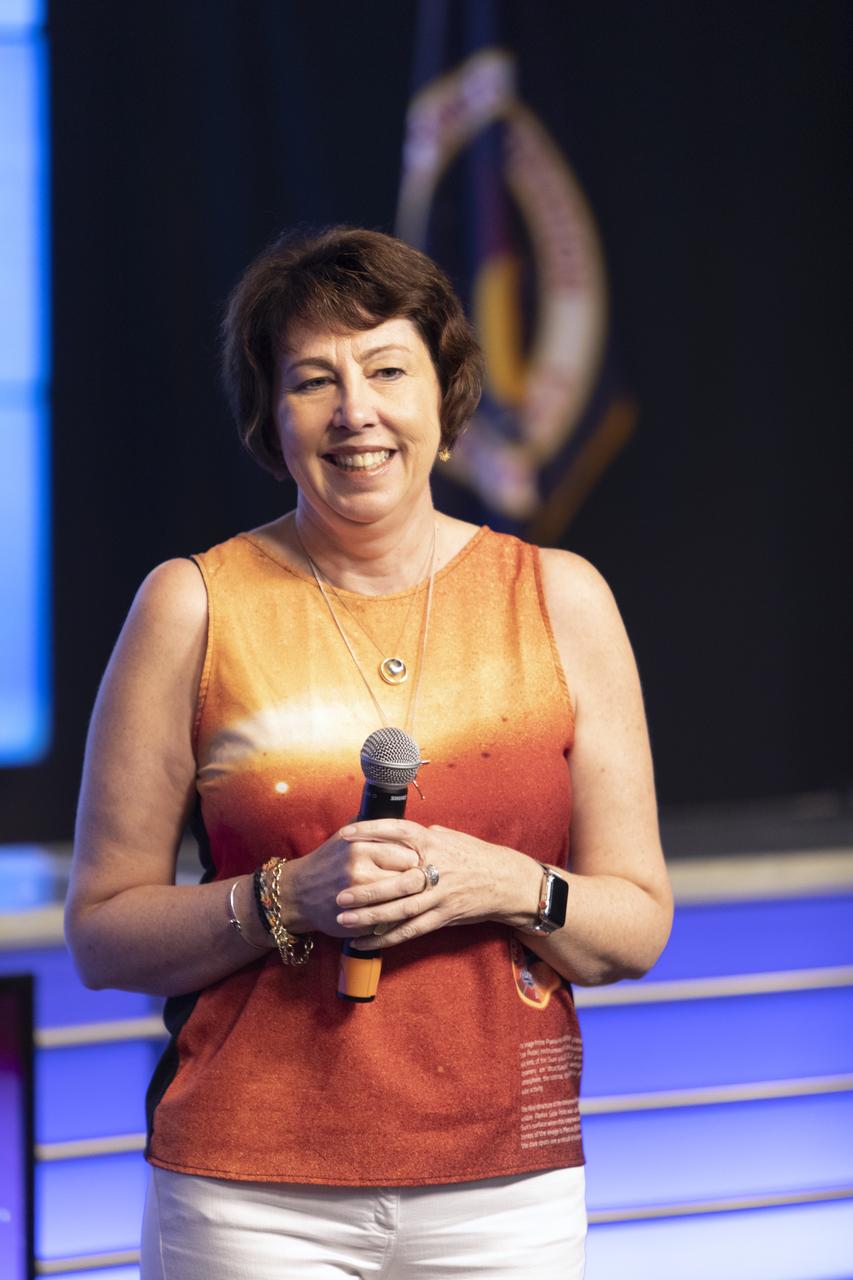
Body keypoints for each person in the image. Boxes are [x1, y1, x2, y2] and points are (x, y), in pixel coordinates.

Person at [65, 226, 672, 1279]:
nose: (356, 409)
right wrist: (287, 896)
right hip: (246, 1193)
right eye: (313, 379)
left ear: (444, 398)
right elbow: (102, 933)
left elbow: (634, 925)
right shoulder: (191, 603)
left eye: (387, 368)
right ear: (272, 418)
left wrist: (511, 882)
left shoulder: (560, 597)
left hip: (506, 1184)